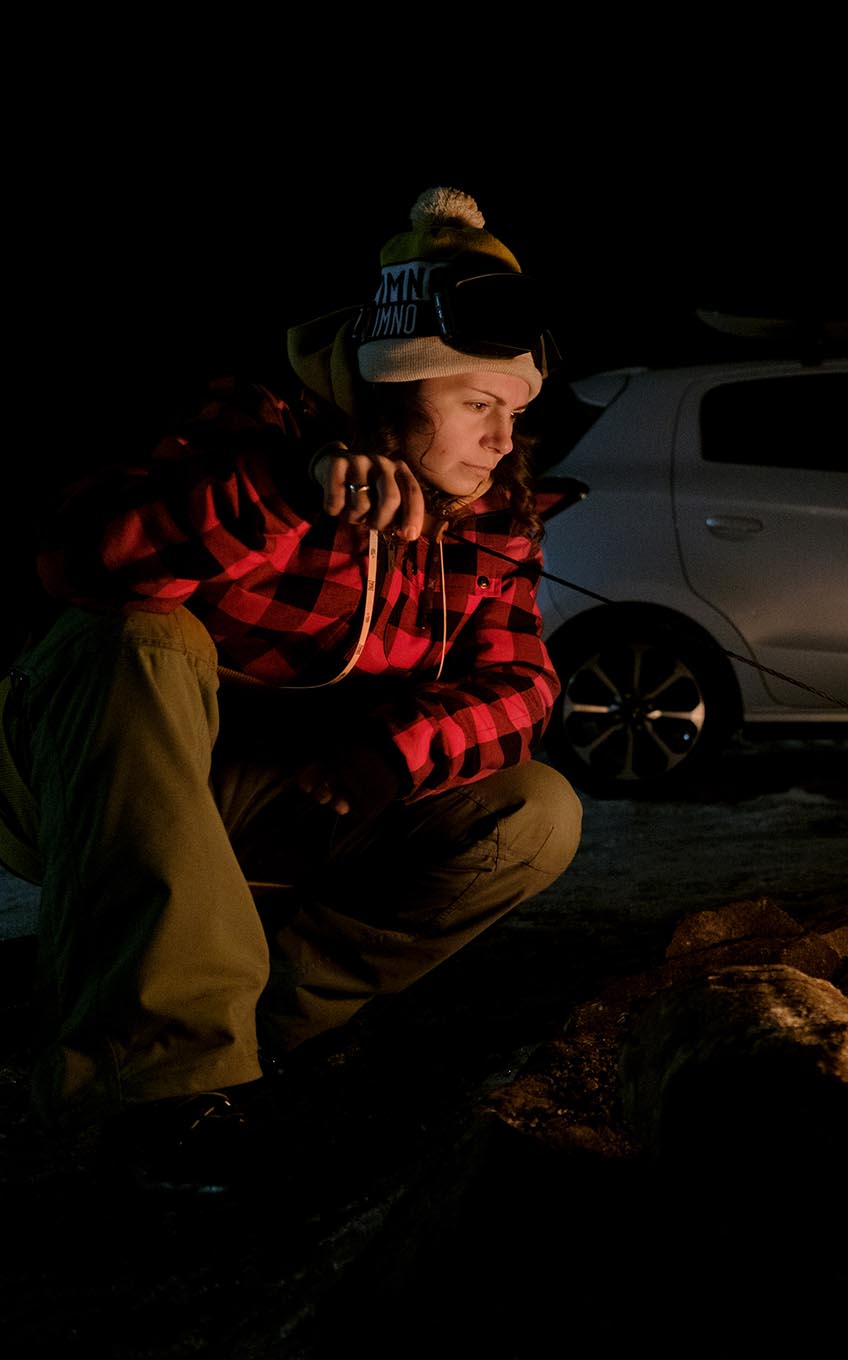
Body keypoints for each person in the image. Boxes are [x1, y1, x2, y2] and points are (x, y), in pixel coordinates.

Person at [0, 186, 582, 1192]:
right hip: (103, 780)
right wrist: (285, 489)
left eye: (514, 411)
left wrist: (391, 754)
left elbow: (524, 686)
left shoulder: (489, 522)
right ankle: (155, 1093)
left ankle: (236, 1045)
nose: (500, 437)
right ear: (398, 388)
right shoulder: (256, 428)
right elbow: (84, 561)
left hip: (294, 800)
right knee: (142, 632)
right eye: (477, 404)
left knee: (535, 811)